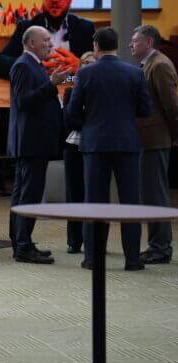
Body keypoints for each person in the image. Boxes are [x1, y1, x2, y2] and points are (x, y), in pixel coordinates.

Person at [67, 27, 152, 271]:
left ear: (96, 46)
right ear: (117, 44)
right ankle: (132, 260)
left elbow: (73, 112)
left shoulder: (85, 74)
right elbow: (145, 110)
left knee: (94, 203)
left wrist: (90, 124)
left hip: (95, 145)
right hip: (127, 143)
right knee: (130, 204)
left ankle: (93, 258)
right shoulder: (135, 73)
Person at [8, 25, 69, 264]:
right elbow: (24, 101)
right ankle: (23, 246)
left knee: (24, 194)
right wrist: (51, 84)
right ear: (31, 43)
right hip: (31, 143)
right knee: (29, 195)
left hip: (33, 143)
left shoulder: (34, 65)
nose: (51, 44)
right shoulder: (23, 65)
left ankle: (21, 242)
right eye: (45, 40)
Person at [130, 25, 178, 264]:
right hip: (148, 140)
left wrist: (174, 134)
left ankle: (160, 248)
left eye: (135, 41)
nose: (131, 45)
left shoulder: (159, 65)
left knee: (155, 195)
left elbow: (171, 105)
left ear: (148, 43)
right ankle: (156, 245)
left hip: (156, 139)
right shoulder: (148, 64)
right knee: (150, 194)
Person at [0, 0, 95, 80]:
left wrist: (81, 67)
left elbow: (101, 67)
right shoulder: (25, 28)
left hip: (71, 87)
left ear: (70, 0)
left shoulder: (85, 29)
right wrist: (29, 67)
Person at [61, 51, 97, 254]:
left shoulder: (102, 93)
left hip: (95, 147)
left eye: (93, 63)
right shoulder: (70, 92)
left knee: (94, 195)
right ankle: (74, 241)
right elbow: (69, 120)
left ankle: (94, 241)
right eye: (85, 63)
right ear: (80, 67)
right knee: (74, 193)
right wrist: (91, 123)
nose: (89, 66)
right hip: (74, 147)